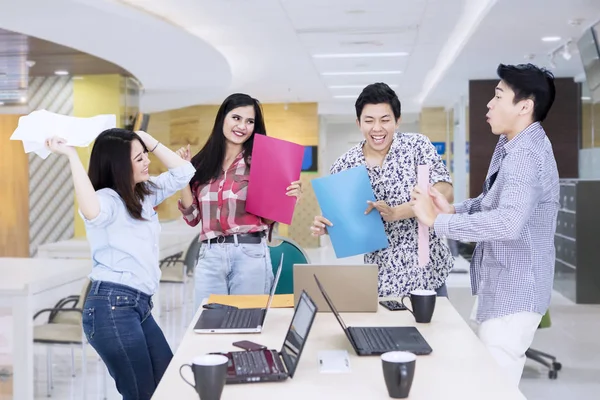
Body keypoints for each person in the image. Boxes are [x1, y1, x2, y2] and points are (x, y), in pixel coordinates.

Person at [411, 63, 559, 386]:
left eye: (498, 96)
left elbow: (507, 223)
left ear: (524, 106)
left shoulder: (525, 157)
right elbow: (488, 202)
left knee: (494, 389)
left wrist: (439, 222)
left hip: (515, 294)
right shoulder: (511, 146)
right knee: (483, 381)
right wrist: (452, 210)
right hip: (500, 286)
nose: (489, 105)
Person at [46, 128, 195, 400]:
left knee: (169, 385)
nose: (147, 161)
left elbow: (184, 173)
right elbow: (91, 210)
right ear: (119, 166)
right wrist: (71, 156)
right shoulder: (108, 200)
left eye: (144, 155)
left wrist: (150, 141)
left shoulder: (144, 193)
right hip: (112, 307)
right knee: (141, 394)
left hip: (139, 306)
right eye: (138, 159)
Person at [311, 82, 454, 297]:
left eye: (385, 120)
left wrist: (398, 212)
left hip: (428, 273)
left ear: (397, 121)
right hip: (380, 280)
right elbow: (341, 220)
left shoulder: (417, 146)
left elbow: (445, 191)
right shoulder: (344, 165)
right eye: (369, 121)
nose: (377, 128)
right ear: (359, 123)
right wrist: (327, 226)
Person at [176, 93, 302, 311]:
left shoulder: (263, 162)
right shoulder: (202, 163)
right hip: (210, 255)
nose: (242, 126)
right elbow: (193, 218)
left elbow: (268, 219)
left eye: (250, 121)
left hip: (249, 254)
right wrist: (182, 175)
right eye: (236, 118)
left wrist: (287, 199)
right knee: (207, 328)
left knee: (246, 326)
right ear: (222, 118)